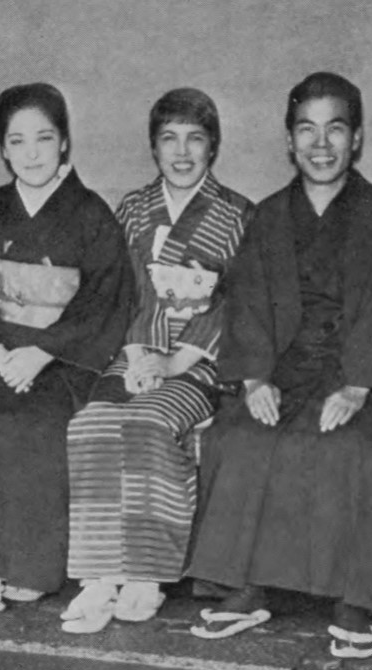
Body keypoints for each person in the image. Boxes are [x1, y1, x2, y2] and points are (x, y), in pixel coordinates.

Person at [185, 72, 372, 657]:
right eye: (306, 129)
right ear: (289, 141)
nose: (321, 143)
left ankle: (353, 600)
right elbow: (247, 300)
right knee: (243, 437)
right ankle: (249, 587)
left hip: (360, 376)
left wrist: (358, 384)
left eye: (336, 128)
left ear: (356, 139)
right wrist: (255, 377)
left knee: (350, 448)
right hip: (282, 369)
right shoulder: (268, 217)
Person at [0, 83, 134, 614]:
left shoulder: (91, 214)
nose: (32, 152)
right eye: (17, 141)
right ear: (3, 149)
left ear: (65, 143)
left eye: (44, 137)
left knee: (36, 426)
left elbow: (103, 300)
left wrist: (42, 351)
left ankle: (29, 567)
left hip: (60, 363)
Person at [60, 88, 252, 634]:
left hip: (200, 364)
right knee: (91, 422)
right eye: (170, 139)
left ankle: (148, 574)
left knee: (148, 421)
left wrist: (174, 363)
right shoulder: (132, 209)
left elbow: (237, 304)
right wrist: (140, 353)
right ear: (154, 146)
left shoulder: (238, 214)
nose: (182, 152)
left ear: (213, 146)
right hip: (134, 353)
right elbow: (118, 292)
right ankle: (100, 574)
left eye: (195, 138)